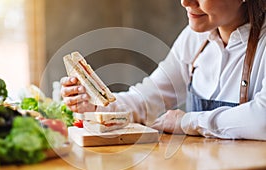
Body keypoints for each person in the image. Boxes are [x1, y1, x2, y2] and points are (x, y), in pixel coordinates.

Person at [60, 0, 266, 140]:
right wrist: (94, 107)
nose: (185, 2)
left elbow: (262, 119)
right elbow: (148, 100)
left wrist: (187, 122)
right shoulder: (195, 39)